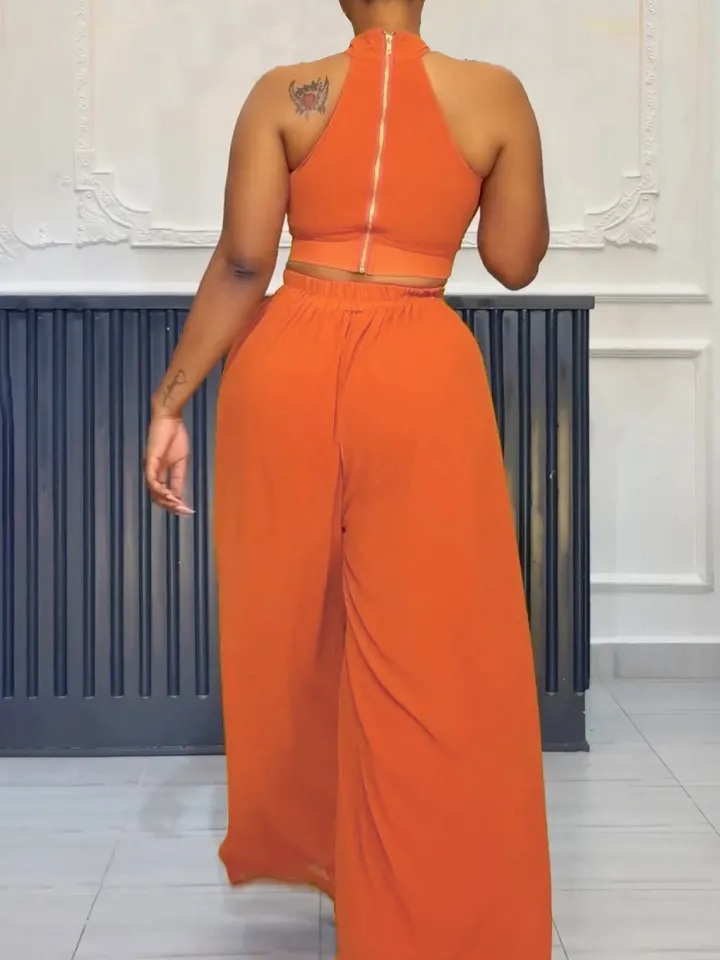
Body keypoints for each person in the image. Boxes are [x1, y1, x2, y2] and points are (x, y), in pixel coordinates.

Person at [144, 0, 551, 956]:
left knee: (296, 630)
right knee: (428, 656)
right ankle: (414, 914)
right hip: (419, 373)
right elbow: (514, 261)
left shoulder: (286, 94)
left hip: (286, 364)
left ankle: (321, 849)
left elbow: (244, 264)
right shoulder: (494, 96)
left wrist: (170, 402)